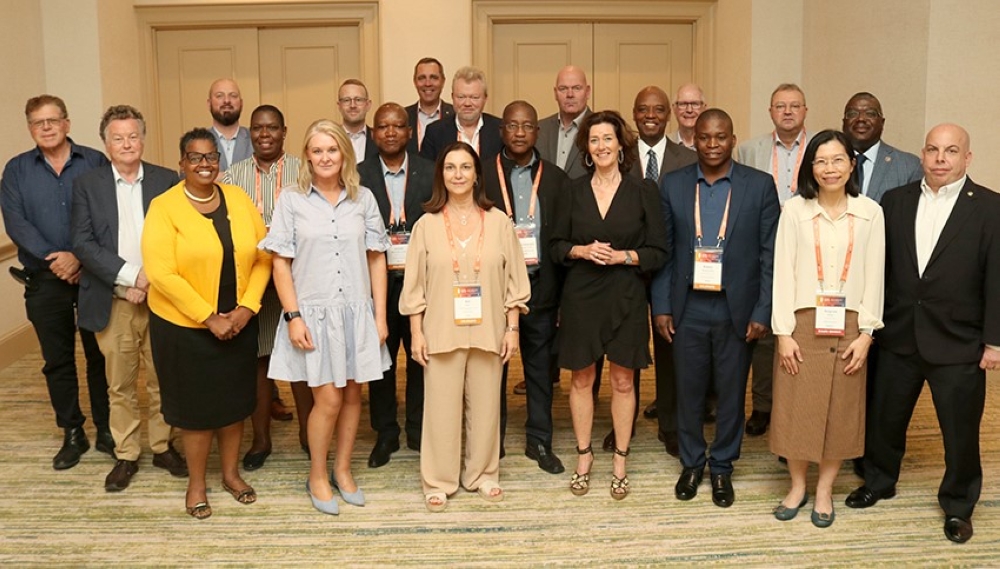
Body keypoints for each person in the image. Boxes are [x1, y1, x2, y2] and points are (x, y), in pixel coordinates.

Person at [846, 124, 1000, 544]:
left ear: (967, 158)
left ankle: (958, 505)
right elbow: (880, 271)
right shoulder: (895, 202)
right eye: (933, 149)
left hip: (959, 342)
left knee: (960, 431)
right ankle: (878, 481)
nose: (940, 158)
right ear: (922, 155)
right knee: (884, 419)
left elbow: (997, 280)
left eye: (951, 151)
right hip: (898, 336)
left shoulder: (990, 208)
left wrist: (994, 341)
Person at [261, 119, 390, 515]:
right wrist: (293, 316)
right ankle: (317, 474)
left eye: (331, 150)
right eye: (317, 150)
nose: (325, 157)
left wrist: (380, 317)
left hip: (356, 312)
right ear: (308, 156)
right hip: (313, 315)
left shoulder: (363, 199)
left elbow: (376, 258)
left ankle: (343, 470)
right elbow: (280, 264)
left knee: (353, 396)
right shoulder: (291, 200)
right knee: (329, 399)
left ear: (344, 154)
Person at [652, 109, 779, 508]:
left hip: (735, 309)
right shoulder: (672, 185)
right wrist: (661, 306)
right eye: (704, 137)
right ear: (695, 139)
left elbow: (769, 255)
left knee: (730, 393)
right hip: (687, 307)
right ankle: (691, 463)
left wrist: (762, 312)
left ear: (732, 139)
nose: (711, 145)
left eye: (720, 137)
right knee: (687, 391)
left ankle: (722, 466)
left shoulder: (759, 186)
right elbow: (665, 252)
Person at [142, 128, 271, 520]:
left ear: (220, 161)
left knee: (234, 405)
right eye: (195, 157)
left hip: (238, 322)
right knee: (197, 412)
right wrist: (208, 317)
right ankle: (196, 483)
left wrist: (247, 309)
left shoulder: (236, 197)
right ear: (181, 162)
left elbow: (264, 253)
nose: (204, 164)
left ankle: (231, 475)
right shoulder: (164, 207)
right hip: (184, 328)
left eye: (211, 157)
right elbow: (161, 273)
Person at [400, 141, 530, 512]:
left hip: (489, 329)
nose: (458, 174)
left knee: (487, 406)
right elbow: (415, 286)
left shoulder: (500, 221)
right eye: (450, 167)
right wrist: (416, 332)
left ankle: (483, 474)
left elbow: (514, 281)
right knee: (440, 409)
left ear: (477, 175)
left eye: (465, 167)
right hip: (441, 330)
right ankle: (439, 479)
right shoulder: (425, 225)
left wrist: (512, 328)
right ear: (441, 175)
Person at [769, 129, 885, 528]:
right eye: (821, 161)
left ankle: (824, 491)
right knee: (797, 407)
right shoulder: (794, 210)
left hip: (851, 325)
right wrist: (783, 332)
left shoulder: (870, 211)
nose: (829, 168)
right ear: (810, 167)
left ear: (852, 165)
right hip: (802, 321)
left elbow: (875, 276)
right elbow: (783, 272)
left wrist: (868, 333)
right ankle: (799, 485)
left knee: (841, 411)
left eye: (838, 160)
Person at [551, 110, 668, 500]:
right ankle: (584, 457)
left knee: (622, 380)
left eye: (608, 139)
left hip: (626, 295)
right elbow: (554, 246)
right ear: (586, 147)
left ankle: (620, 459)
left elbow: (658, 252)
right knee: (581, 379)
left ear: (621, 145)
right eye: (594, 140)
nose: (601, 146)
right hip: (582, 295)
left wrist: (625, 257)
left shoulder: (644, 191)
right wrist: (580, 250)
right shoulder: (572, 190)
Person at [71, 105, 188, 491]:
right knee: (119, 383)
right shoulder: (87, 184)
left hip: (162, 298)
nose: (127, 143)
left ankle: (162, 445)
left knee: (163, 378)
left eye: (133, 136)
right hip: (114, 297)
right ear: (106, 145)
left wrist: (153, 280)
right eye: (118, 138)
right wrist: (130, 277)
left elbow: (180, 237)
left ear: (143, 138)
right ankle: (126, 453)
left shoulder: (167, 180)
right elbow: (83, 244)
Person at [1, 94, 112, 470]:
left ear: (66, 123)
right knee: (57, 360)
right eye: (38, 122)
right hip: (45, 278)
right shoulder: (16, 170)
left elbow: (106, 214)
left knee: (100, 355)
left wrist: (79, 256)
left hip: (93, 273)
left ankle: (108, 429)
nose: (46, 127)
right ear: (30, 128)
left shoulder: (95, 161)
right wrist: (57, 259)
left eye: (52, 120)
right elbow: (16, 223)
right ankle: (72, 432)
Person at [221, 104, 314, 470]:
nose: (265, 134)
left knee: (303, 360)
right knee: (258, 362)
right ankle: (260, 440)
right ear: (250, 133)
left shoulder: (302, 173)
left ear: (284, 131)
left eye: (272, 128)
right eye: (258, 128)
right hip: (252, 285)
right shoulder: (231, 176)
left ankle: (310, 435)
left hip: (298, 281)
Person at [484, 101, 568, 474]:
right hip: (492, 293)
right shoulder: (480, 175)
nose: (519, 133)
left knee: (539, 371)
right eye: (512, 125)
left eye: (528, 126)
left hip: (541, 289)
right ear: (501, 130)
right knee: (491, 371)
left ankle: (539, 440)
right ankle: (491, 444)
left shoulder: (556, 178)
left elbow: (565, 239)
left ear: (538, 132)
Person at [734, 83, 813, 437]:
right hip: (758, 248)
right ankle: (763, 405)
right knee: (763, 331)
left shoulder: (821, 149)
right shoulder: (750, 149)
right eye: (780, 106)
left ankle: (798, 406)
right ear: (770, 112)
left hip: (807, 253)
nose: (787, 112)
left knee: (800, 331)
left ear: (805, 111)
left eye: (794, 106)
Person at [358, 103, 435, 468]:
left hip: (421, 283)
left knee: (421, 359)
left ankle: (419, 431)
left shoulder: (430, 171)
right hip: (376, 283)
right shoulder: (357, 175)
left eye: (398, 126)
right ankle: (386, 433)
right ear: (373, 134)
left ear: (409, 132)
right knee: (381, 364)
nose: (390, 132)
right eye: (383, 127)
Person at [628, 86, 698, 456]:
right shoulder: (618, 155)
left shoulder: (688, 157)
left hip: (672, 267)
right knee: (628, 348)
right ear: (634, 114)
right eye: (643, 109)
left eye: (657, 109)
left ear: (668, 114)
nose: (650, 115)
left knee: (671, 349)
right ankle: (626, 424)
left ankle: (670, 424)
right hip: (627, 268)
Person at [841, 92, 922, 204]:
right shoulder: (826, 164)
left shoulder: (909, 166)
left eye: (870, 114)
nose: (861, 119)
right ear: (844, 123)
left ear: (882, 123)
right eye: (852, 113)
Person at [419, 67, 503, 162]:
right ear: (452, 97)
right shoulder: (435, 132)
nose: (467, 103)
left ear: (485, 98)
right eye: (461, 97)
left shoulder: (500, 129)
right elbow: (426, 172)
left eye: (474, 97)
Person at [536, 65, 592, 180]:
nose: (570, 94)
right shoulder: (540, 129)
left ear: (587, 92)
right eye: (563, 89)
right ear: (555, 93)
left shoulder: (600, 129)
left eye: (576, 88)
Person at [406, 57, 455, 154]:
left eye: (434, 78)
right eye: (422, 78)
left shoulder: (455, 115)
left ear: (443, 81)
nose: (428, 83)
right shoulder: (403, 117)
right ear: (415, 82)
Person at [207, 78, 252, 173]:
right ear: (209, 104)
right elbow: (188, 179)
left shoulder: (256, 139)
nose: (227, 100)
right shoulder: (198, 141)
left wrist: (218, 178)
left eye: (233, 96)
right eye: (219, 96)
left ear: (241, 104)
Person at [337, 79, 379, 165]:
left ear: (368, 105)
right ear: (339, 106)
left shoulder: (379, 138)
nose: (353, 105)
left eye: (358, 100)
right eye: (346, 100)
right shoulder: (331, 139)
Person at [669, 83, 706, 150]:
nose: (689, 110)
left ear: (704, 108)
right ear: (674, 109)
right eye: (683, 104)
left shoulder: (714, 146)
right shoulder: (665, 144)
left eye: (695, 104)